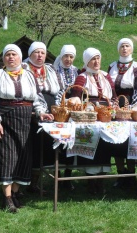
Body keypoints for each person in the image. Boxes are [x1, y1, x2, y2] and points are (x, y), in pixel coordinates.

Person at [0, 44, 53, 213]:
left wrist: (41, 112)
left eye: (14, 54)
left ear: (20, 57)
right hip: (6, 122)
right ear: (3, 58)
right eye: (7, 55)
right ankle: (6, 198)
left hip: (25, 122)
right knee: (6, 159)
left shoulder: (29, 75)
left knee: (23, 159)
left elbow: (37, 98)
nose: (11, 58)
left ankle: (15, 194)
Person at [70, 47, 117, 194]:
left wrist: (114, 106)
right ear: (86, 61)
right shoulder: (82, 77)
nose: (96, 62)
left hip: (106, 116)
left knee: (105, 146)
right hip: (89, 116)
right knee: (91, 145)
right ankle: (90, 181)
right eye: (92, 59)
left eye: (98, 58)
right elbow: (76, 98)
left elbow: (114, 96)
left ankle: (101, 181)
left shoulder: (106, 76)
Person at [23, 41, 63, 194]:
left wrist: (57, 107)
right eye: (36, 52)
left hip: (52, 111)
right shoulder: (24, 68)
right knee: (31, 146)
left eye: (42, 53)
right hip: (31, 111)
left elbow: (60, 89)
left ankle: (35, 183)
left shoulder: (51, 69)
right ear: (30, 54)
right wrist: (38, 110)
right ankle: (23, 183)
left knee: (46, 146)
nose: (40, 55)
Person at [107, 38, 137, 188]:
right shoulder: (112, 66)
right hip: (115, 105)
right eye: (122, 46)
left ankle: (130, 174)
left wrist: (132, 108)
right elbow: (109, 86)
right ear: (118, 49)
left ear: (132, 49)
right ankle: (120, 173)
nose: (124, 48)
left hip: (130, 104)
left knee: (129, 141)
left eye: (127, 46)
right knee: (116, 140)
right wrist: (112, 104)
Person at [53, 44, 79, 190]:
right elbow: (56, 91)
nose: (68, 59)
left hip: (73, 110)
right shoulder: (55, 71)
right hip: (60, 111)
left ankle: (68, 175)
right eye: (66, 56)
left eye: (71, 57)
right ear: (61, 56)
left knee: (72, 142)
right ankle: (59, 173)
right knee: (60, 141)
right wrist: (61, 106)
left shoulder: (77, 71)